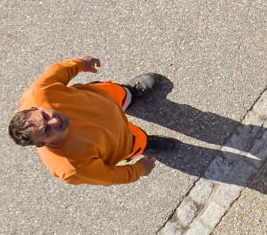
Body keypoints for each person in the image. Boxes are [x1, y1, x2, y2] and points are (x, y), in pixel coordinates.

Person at [10, 58, 171, 185]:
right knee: (137, 141)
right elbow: (110, 176)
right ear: (41, 144)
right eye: (46, 130)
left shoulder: (38, 94)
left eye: (45, 116)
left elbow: (59, 71)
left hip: (104, 97)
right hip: (120, 140)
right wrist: (140, 169)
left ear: (35, 108)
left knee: (121, 93)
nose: (54, 121)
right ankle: (146, 143)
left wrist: (80, 64)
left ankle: (131, 93)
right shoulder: (70, 167)